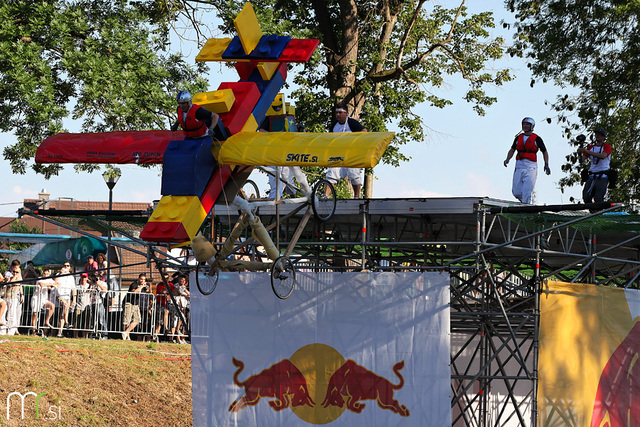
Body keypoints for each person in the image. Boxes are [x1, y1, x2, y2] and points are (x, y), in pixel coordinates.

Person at [503, 117, 551, 204]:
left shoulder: (537, 138)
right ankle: (526, 201)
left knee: (527, 191)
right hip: (519, 165)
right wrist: (507, 159)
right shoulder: (518, 138)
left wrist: (546, 164)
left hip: (531, 167)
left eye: (527, 124)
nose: (525, 126)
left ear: (531, 126)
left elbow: (544, 151)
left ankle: (526, 204)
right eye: (523, 124)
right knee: (516, 192)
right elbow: (512, 149)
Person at [325, 103, 368, 198]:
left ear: (346, 113)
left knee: (354, 173)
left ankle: (357, 196)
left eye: (340, 112)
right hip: (338, 155)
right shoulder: (334, 126)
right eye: (336, 113)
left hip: (352, 154)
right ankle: (326, 196)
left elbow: (364, 131)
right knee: (332, 174)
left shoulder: (352, 123)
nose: (338, 115)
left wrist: (352, 140)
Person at [577, 129, 612, 203]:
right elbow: (582, 160)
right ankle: (592, 212)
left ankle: (599, 212)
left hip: (603, 176)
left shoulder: (607, 146)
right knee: (586, 196)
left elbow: (603, 156)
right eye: (596, 134)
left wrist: (586, 151)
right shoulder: (591, 147)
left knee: (598, 198)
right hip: (592, 175)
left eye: (600, 134)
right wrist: (579, 153)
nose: (598, 136)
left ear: (604, 137)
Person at [122, 273, 148, 340]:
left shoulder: (143, 286)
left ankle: (126, 332)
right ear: (138, 278)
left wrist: (147, 288)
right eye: (141, 279)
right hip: (128, 303)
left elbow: (148, 291)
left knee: (137, 320)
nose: (142, 281)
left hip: (136, 304)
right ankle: (127, 336)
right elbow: (134, 292)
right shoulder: (134, 284)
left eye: (144, 280)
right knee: (127, 320)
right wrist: (141, 287)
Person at [31, 268, 56, 334]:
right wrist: (50, 285)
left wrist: (52, 286)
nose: (45, 275)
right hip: (36, 298)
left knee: (52, 306)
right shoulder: (40, 278)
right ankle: (33, 331)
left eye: (47, 274)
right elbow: (41, 284)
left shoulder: (50, 279)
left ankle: (47, 321)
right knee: (35, 315)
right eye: (44, 273)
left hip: (44, 299)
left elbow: (56, 285)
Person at [55, 262, 77, 338]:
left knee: (63, 313)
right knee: (65, 306)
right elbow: (55, 283)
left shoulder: (71, 277)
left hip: (67, 296)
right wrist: (61, 273)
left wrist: (74, 299)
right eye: (64, 265)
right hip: (59, 295)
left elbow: (73, 288)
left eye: (67, 266)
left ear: (70, 268)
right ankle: (67, 322)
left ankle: (59, 332)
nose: (65, 267)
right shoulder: (59, 275)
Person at [3, 260, 24, 336]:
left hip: (15, 297)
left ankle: (12, 330)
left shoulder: (19, 275)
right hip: (7, 296)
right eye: (14, 270)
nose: (15, 273)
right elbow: (10, 283)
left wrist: (22, 294)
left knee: (14, 314)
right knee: (7, 313)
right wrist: (15, 276)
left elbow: (20, 284)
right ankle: (4, 330)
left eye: (17, 271)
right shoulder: (8, 273)